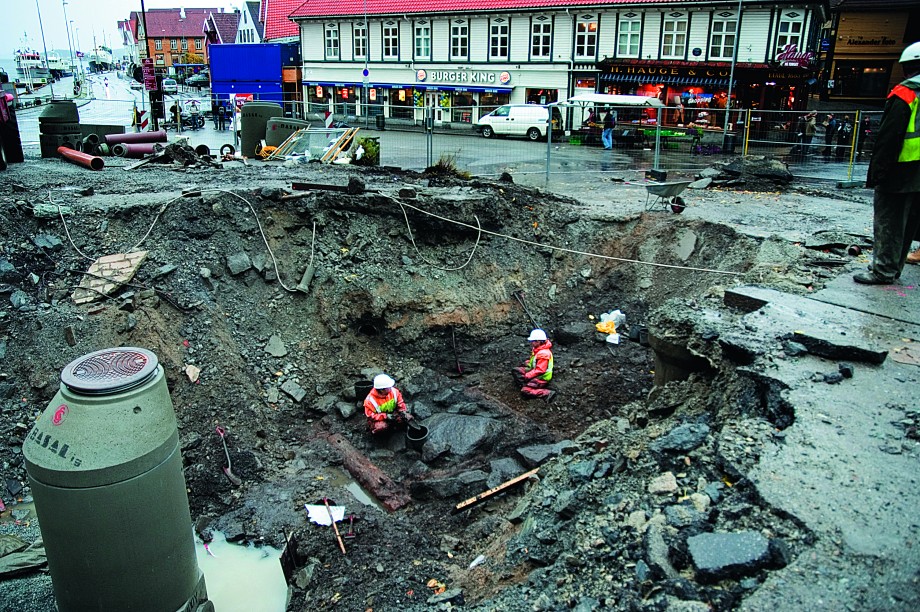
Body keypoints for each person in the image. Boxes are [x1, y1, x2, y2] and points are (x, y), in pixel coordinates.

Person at [853, 41, 920, 285]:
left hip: (900, 168)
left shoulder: (906, 93)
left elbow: (889, 137)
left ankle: (883, 270)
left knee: (889, 222)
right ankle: (894, 267)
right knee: (908, 224)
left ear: (907, 67)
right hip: (917, 173)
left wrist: (878, 173)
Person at [512, 329, 556, 402]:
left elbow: (540, 370)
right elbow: (535, 360)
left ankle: (547, 393)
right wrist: (528, 363)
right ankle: (526, 383)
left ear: (538, 341)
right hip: (534, 370)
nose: (531, 343)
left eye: (532, 341)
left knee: (525, 391)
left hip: (542, 377)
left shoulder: (544, 354)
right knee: (516, 371)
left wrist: (528, 375)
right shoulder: (537, 349)